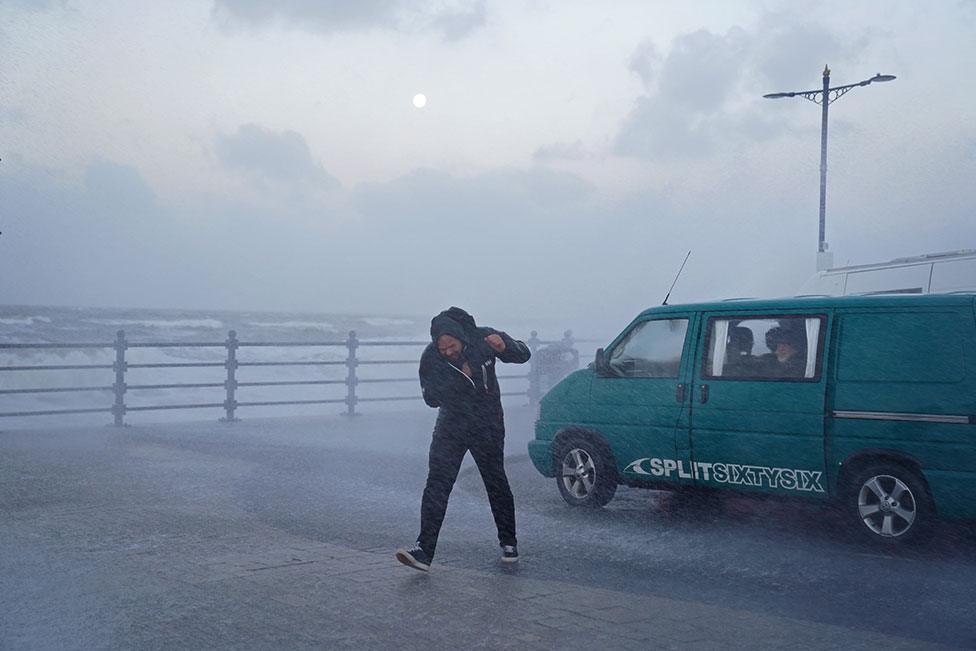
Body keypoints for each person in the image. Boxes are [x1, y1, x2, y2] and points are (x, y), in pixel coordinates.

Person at [395, 307, 531, 572]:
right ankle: (424, 551)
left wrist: (506, 347)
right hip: (451, 427)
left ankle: (509, 543)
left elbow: (524, 354)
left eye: (451, 345)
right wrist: (461, 379)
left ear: (460, 337)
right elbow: (431, 397)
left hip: (487, 425)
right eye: (442, 347)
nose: (447, 351)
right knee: (437, 485)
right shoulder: (431, 358)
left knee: (496, 482)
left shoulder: (484, 339)